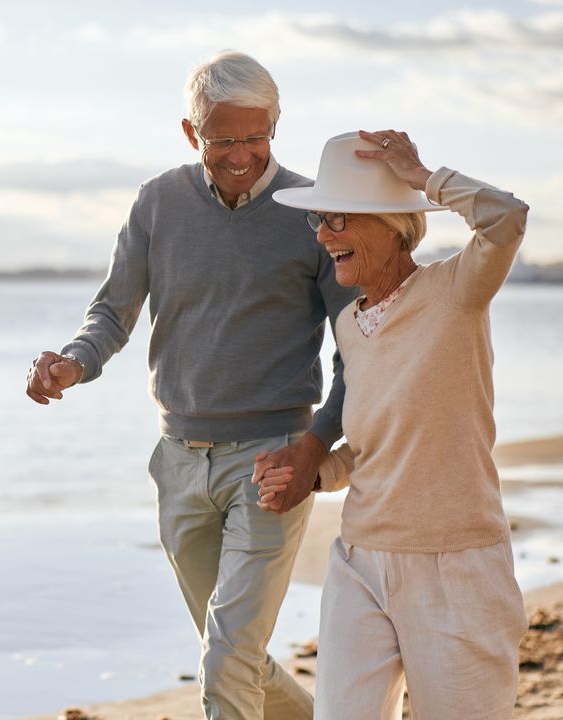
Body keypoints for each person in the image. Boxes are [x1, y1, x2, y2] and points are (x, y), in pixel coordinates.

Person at [24, 51, 356, 719]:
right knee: (233, 651)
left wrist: (315, 447)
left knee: (228, 649)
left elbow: (360, 353)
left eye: (255, 137)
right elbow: (113, 313)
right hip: (178, 462)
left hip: (272, 459)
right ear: (190, 132)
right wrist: (73, 362)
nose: (240, 155)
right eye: (221, 139)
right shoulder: (157, 203)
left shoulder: (313, 215)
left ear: (276, 124)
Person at [259, 129, 531, 719]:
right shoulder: (352, 326)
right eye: (321, 221)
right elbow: (374, 444)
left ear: (394, 224)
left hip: (456, 562)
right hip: (360, 558)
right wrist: (311, 475)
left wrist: (422, 175)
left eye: (340, 219)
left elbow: (507, 218)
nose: (324, 236)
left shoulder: (455, 291)